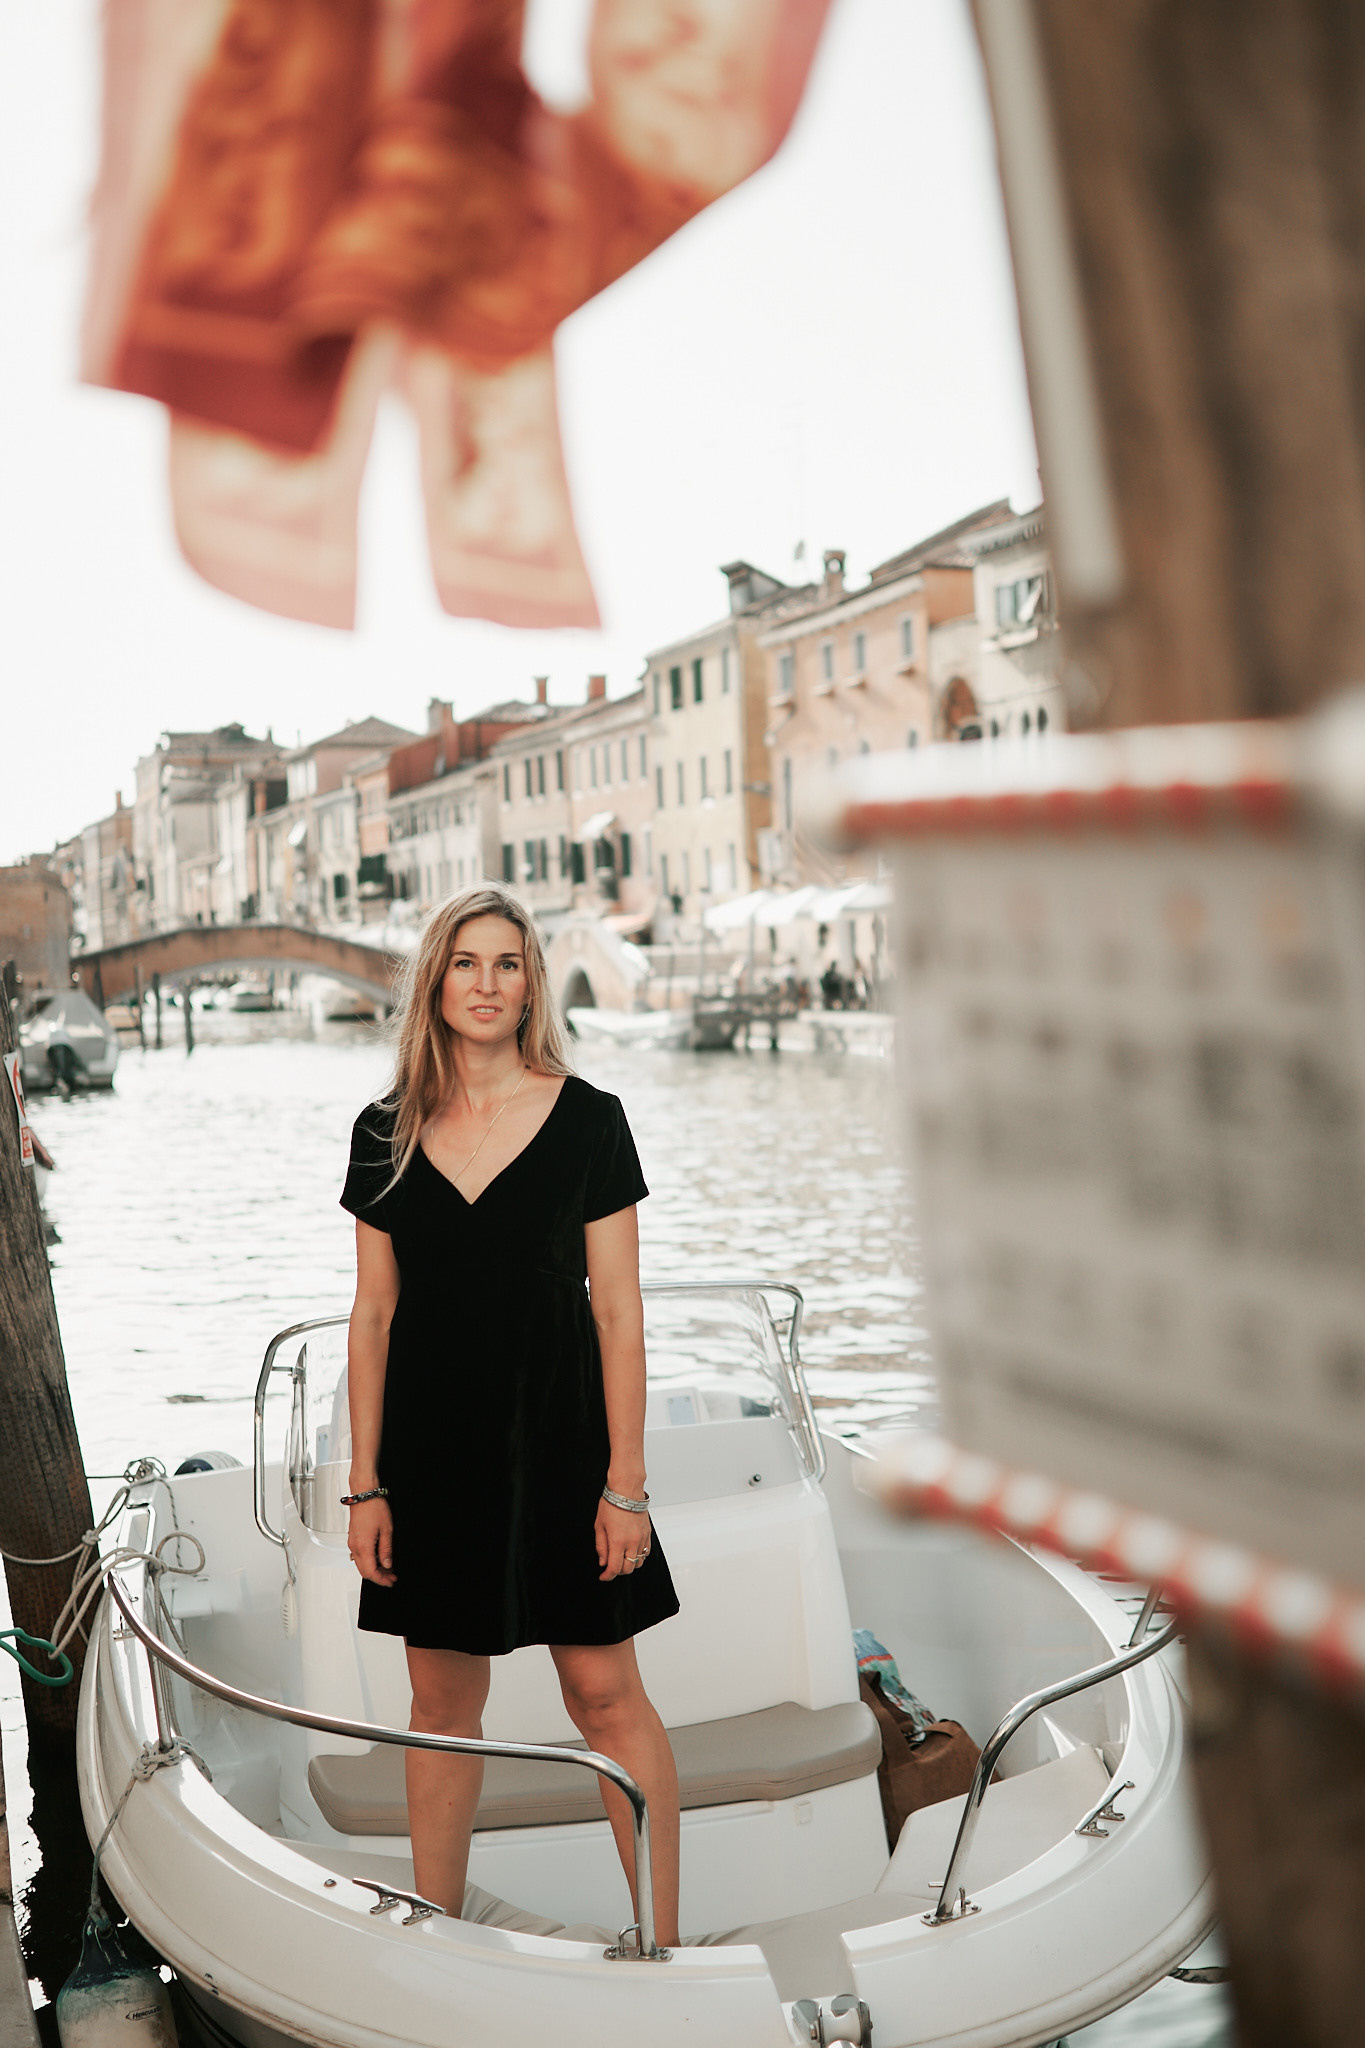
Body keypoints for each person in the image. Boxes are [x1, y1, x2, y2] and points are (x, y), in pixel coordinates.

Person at [340, 884, 681, 1940]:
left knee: (604, 1696)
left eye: (509, 962)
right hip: (433, 1456)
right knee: (441, 1709)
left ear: (532, 981)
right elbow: (373, 1314)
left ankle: (658, 1935)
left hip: (566, 1448)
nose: (487, 984)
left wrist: (626, 1484)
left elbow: (620, 1314)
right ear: (435, 982)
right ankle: (435, 1931)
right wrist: (365, 1484)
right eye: (466, 963)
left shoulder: (590, 1118)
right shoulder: (384, 1127)